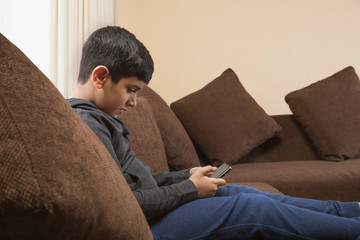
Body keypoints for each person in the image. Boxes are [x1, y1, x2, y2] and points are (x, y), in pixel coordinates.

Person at [67, 26, 360, 240]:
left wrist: (186, 176)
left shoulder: (100, 118)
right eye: (130, 90)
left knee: (238, 190)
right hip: (145, 228)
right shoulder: (87, 123)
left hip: (154, 212)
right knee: (250, 207)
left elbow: (137, 183)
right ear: (101, 76)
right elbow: (123, 203)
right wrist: (190, 189)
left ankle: (350, 210)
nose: (133, 102)